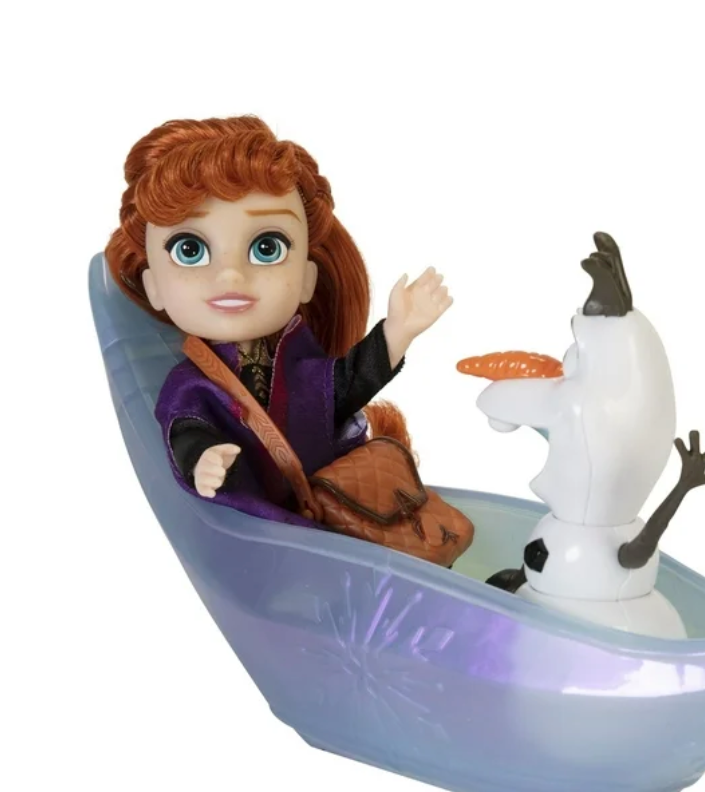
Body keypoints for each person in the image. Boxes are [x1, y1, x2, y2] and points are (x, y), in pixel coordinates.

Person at [105, 115, 452, 526]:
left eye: (267, 248)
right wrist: (202, 458)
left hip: (331, 513)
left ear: (307, 279)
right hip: (258, 531)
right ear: (153, 287)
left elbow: (346, 384)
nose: (231, 275)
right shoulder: (192, 385)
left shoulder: (301, 367)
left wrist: (398, 331)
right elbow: (186, 428)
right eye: (190, 250)